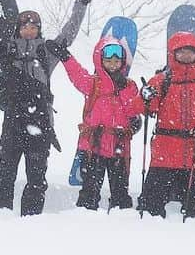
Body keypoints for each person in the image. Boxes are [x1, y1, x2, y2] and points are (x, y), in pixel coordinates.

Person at [0, 0, 91, 215]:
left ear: (39, 30)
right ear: (18, 29)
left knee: (36, 177)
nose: (29, 30)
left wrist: (81, 3)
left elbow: (69, 32)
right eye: (25, 26)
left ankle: (31, 222)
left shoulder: (47, 52)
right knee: (4, 174)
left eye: (34, 26)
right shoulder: (6, 52)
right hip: (14, 121)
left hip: (41, 123)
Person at [138, 32, 195, 218]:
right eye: (181, 51)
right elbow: (144, 108)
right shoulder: (162, 80)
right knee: (151, 205)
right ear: (173, 54)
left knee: (192, 207)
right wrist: (145, 97)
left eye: (190, 52)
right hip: (166, 152)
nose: (186, 55)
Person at [53, 34, 143, 211]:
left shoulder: (129, 86)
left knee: (120, 192)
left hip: (119, 147)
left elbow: (134, 109)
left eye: (117, 62)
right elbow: (78, 75)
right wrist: (66, 57)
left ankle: (123, 221)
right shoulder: (92, 83)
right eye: (108, 61)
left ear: (123, 63)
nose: (113, 65)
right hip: (93, 148)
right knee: (89, 190)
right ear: (100, 61)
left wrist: (136, 121)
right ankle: (85, 218)